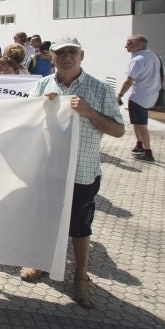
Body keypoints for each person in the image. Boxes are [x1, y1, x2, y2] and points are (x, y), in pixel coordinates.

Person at [21, 37, 124, 309]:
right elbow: (25, 125)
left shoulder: (99, 89)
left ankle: (81, 277)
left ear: (81, 55)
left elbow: (118, 130)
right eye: (61, 52)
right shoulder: (41, 86)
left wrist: (89, 112)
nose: (67, 57)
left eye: (72, 52)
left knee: (79, 227)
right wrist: (41, 109)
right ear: (51, 57)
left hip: (82, 172)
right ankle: (41, 262)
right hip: (47, 170)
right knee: (45, 221)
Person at [117, 35, 163, 162]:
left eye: (129, 43)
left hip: (138, 97)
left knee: (142, 125)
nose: (126, 46)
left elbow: (128, 81)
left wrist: (119, 95)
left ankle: (148, 153)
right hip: (152, 96)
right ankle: (139, 145)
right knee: (136, 122)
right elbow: (163, 75)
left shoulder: (137, 60)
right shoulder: (156, 56)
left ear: (139, 45)